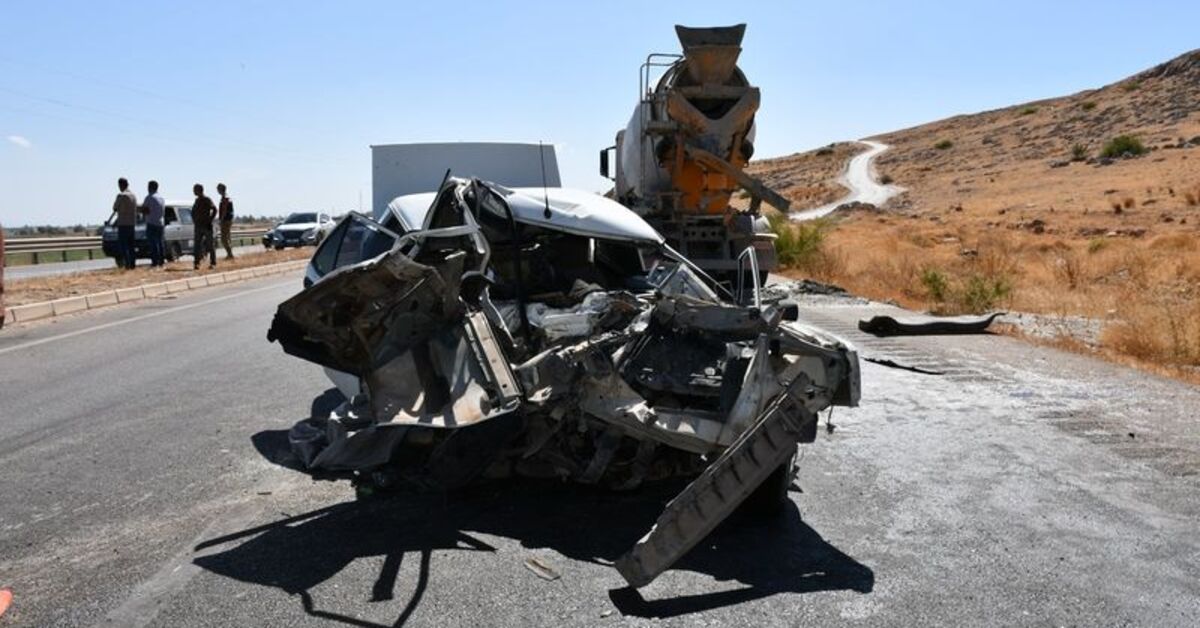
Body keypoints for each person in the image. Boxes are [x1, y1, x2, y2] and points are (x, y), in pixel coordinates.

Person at [113, 177, 139, 270]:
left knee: (124, 245)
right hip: (132, 223)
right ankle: (132, 264)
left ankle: (127, 264)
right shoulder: (133, 195)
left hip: (123, 223)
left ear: (121, 185)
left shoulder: (121, 195)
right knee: (131, 245)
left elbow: (115, 207)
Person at [191, 183, 217, 269]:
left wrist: (210, 219)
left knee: (210, 245)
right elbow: (193, 211)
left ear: (200, 190)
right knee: (197, 245)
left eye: (195, 189)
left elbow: (214, 209)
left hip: (206, 226)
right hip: (198, 226)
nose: (193, 191)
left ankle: (213, 263)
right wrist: (194, 219)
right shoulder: (197, 200)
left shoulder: (207, 199)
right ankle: (196, 263)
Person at [141, 180, 166, 267]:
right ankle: (161, 261)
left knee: (153, 243)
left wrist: (141, 211)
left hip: (151, 222)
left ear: (150, 187)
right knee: (160, 242)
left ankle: (155, 261)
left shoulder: (149, 197)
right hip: (160, 222)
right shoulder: (161, 198)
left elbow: (145, 210)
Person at [217, 183, 235, 259]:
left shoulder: (225, 198)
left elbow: (224, 210)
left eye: (218, 189)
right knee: (227, 237)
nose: (217, 190)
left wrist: (221, 219)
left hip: (225, 220)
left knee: (223, 238)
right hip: (229, 219)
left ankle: (230, 254)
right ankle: (230, 254)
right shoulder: (227, 197)